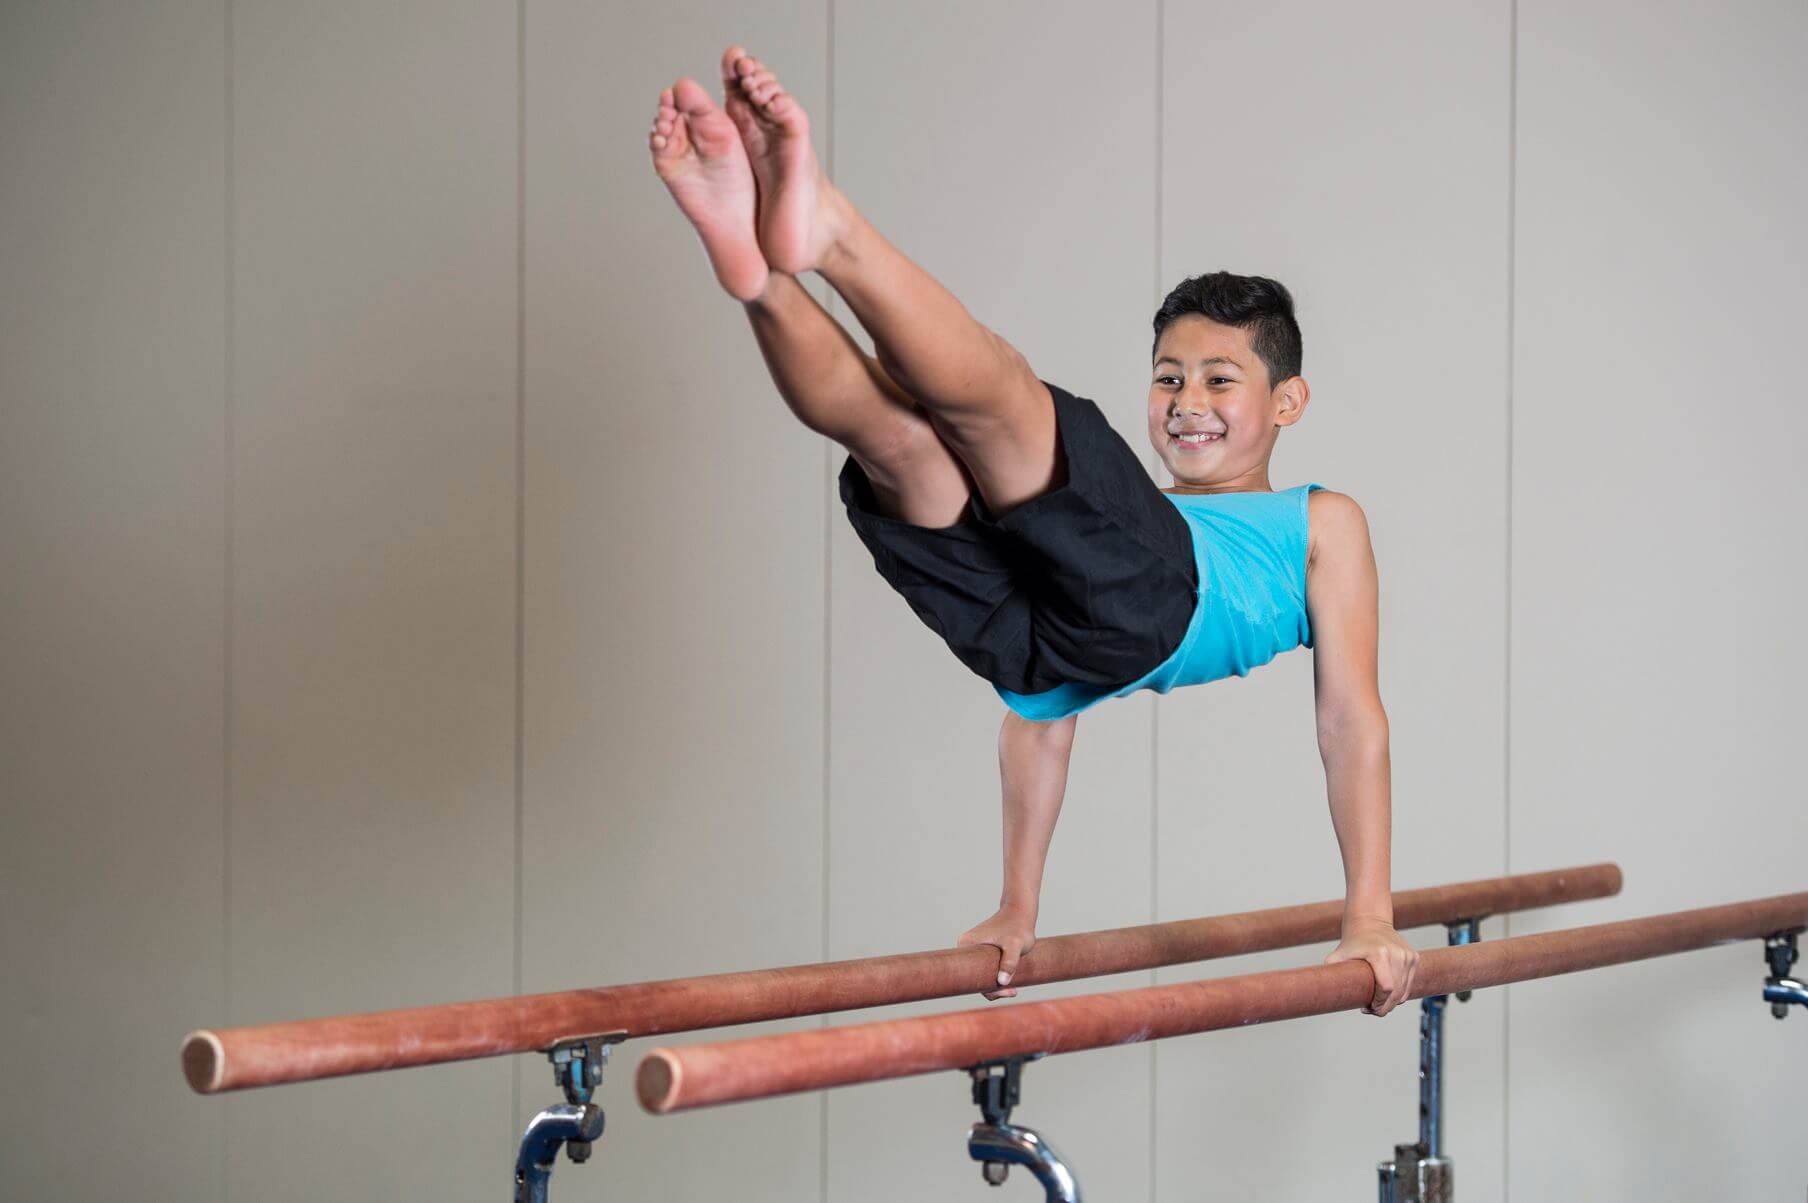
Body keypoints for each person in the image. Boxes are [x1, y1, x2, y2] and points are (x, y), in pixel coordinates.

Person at [648, 47, 1419, 1016]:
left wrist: (1368, 915)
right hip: (1040, 654)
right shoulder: (1129, 517)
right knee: (902, 443)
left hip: (1149, 611)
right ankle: (759, 276)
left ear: (1287, 399)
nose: (1186, 403)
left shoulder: (1316, 520)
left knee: (1005, 402)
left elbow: (1349, 717)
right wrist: (1017, 904)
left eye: (1220, 379)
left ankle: (833, 235)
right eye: (1167, 377)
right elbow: (1038, 722)